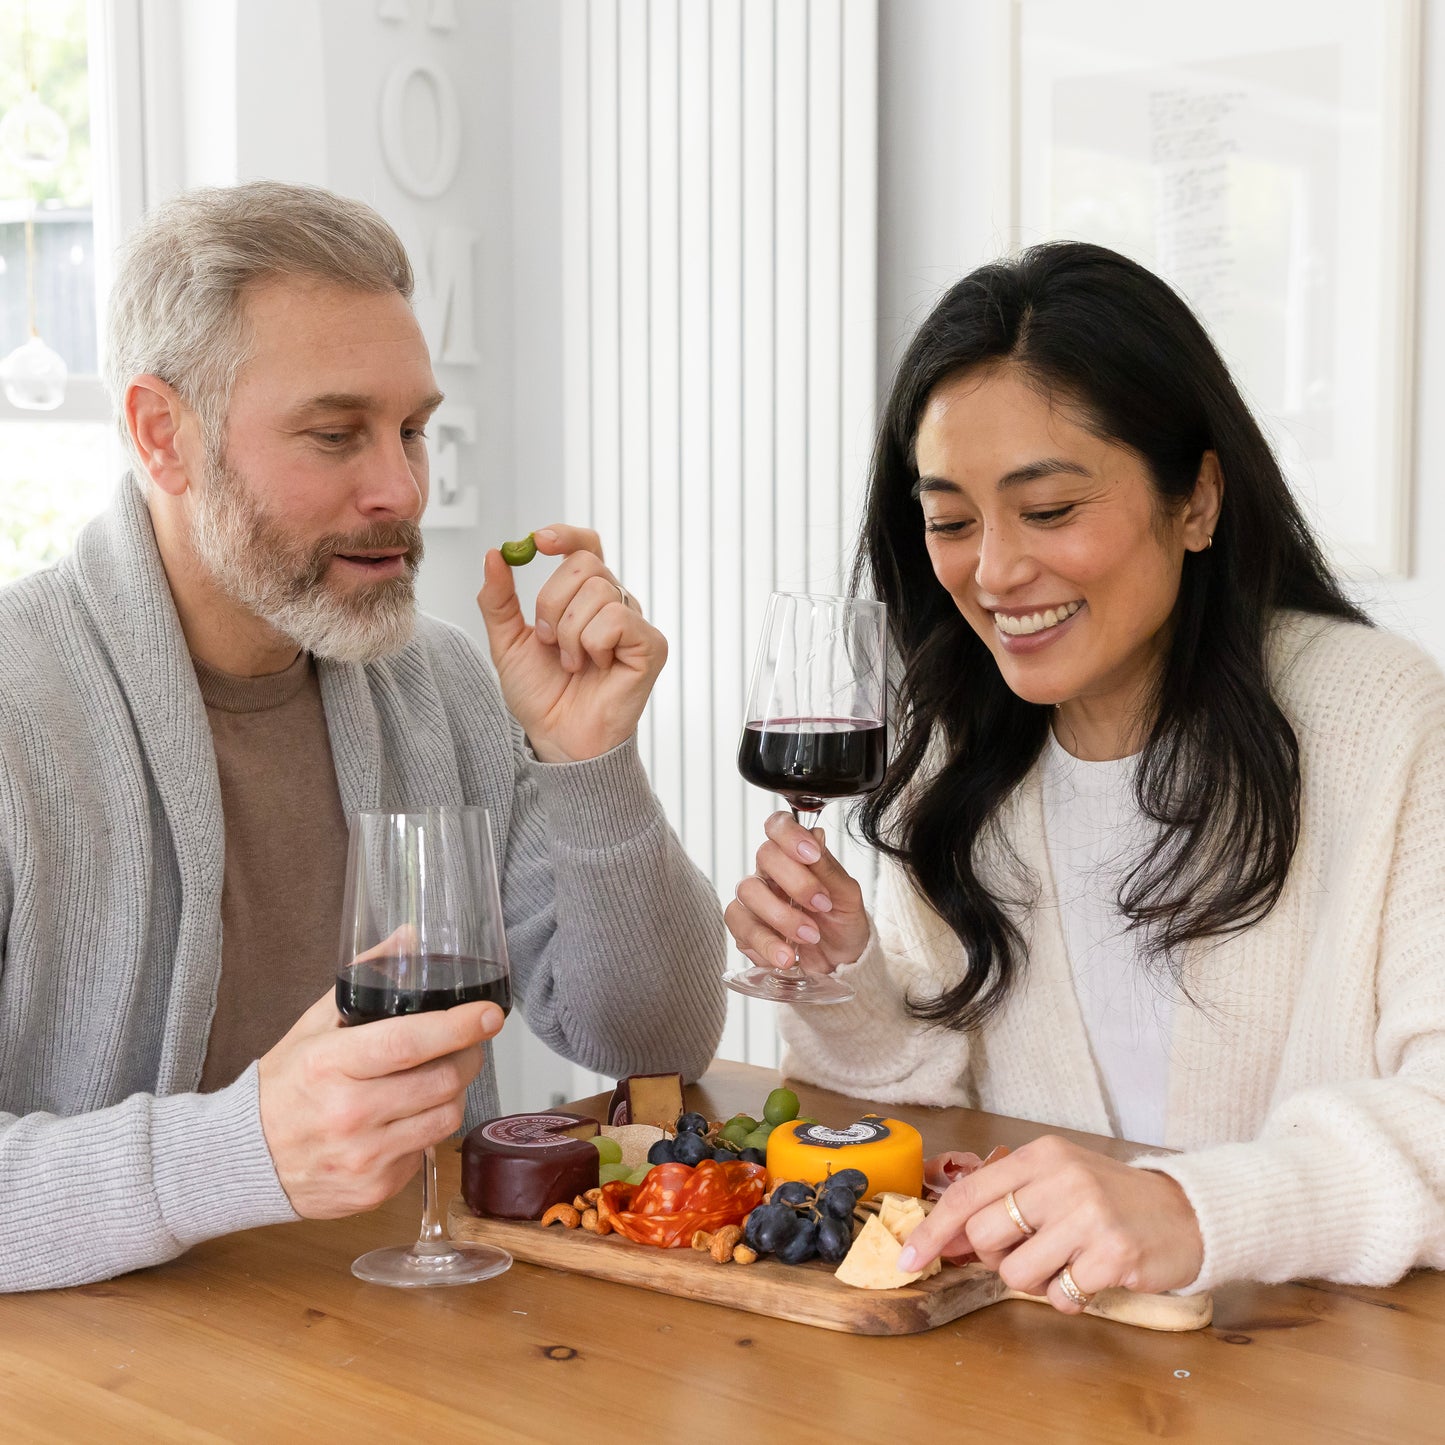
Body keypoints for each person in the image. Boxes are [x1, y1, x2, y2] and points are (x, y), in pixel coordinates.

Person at [0, 181, 726, 1293]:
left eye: (413, 429)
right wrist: (239, 1151)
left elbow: (653, 1034)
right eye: (335, 433)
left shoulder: (434, 684)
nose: (400, 486)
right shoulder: (17, 707)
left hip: (410, 1350)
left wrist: (590, 764)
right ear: (163, 433)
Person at [725, 241, 1445, 1309]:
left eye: (1049, 509)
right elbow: (929, 1122)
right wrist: (844, 980)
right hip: (1042, 1370)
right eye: (950, 521)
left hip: (1321, 1368)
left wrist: (1190, 1207)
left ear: (1195, 498)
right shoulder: (955, 756)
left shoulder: (1380, 717)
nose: (995, 570)